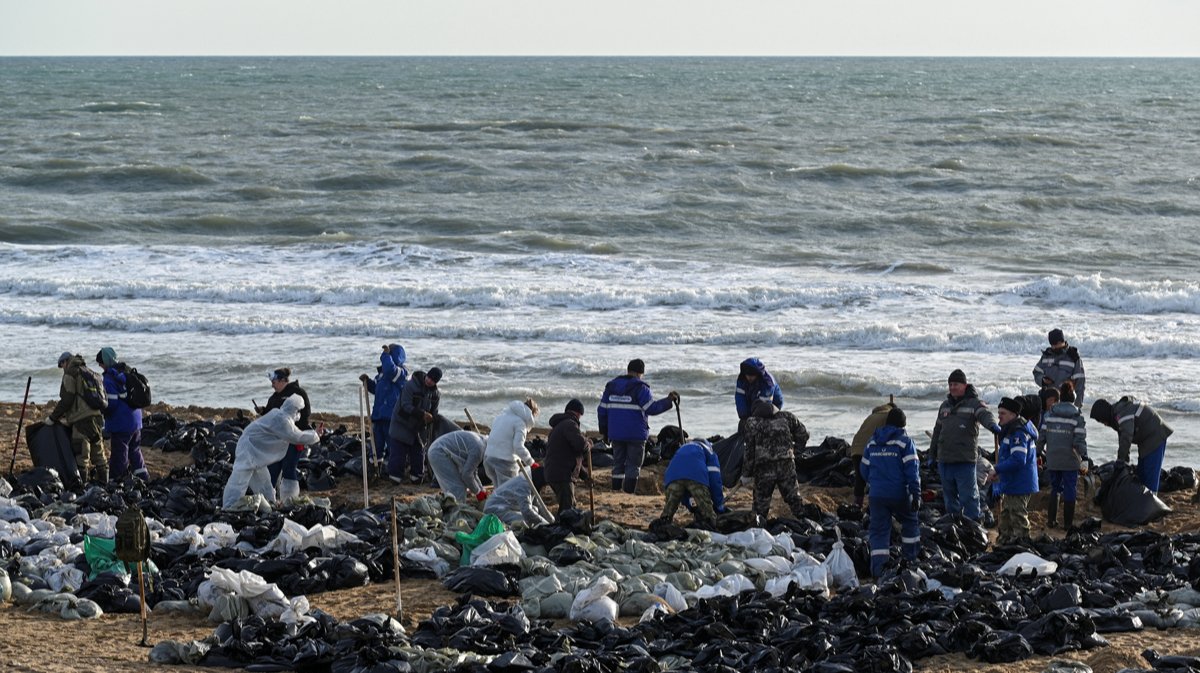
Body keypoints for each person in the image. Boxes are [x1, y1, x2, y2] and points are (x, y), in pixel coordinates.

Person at [928, 369, 1001, 521]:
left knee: (969, 497)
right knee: (950, 498)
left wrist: (993, 426)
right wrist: (932, 455)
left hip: (964, 461)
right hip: (945, 460)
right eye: (950, 384)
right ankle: (955, 525)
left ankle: (974, 526)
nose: (952, 387)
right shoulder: (944, 406)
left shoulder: (974, 403)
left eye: (956, 384)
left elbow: (985, 415)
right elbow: (937, 432)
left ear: (965, 385)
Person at [222, 395, 319, 508]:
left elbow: (294, 433)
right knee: (239, 480)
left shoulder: (279, 415)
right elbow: (296, 436)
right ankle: (228, 506)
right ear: (293, 410)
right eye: (298, 411)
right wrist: (315, 435)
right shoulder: (282, 420)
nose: (298, 415)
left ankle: (270, 503)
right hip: (248, 449)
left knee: (264, 480)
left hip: (255, 450)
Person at [597, 358, 678, 494]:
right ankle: (628, 493)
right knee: (633, 466)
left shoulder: (611, 387)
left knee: (618, 464)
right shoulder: (640, 388)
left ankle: (616, 492)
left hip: (616, 434)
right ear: (640, 373)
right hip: (635, 435)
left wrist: (604, 432)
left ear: (628, 370)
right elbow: (652, 408)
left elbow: (601, 411)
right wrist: (669, 401)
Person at [859, 407, 921, 577]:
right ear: (903, 425)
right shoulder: (905, 442)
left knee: (879, 532)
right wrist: (916, 495)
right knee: (910, 522)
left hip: (877, 495)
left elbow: (863, 469)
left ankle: (879, 571)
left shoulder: (872, 442)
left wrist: (874, 482)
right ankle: (910, 562)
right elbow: (912, 472)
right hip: (899, 493)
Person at [46, 351, 108, 486]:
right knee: (98, 452)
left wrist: (53, 417)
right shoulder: (88, 371)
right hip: (97, 418)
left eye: (61, 365)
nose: (62, 368)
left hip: (81, 421)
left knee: (82, 455)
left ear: (65, 362)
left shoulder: (70, 373)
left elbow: (68, 398)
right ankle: (105, 483)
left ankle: (82, 487)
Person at [741, 400, 809, 521]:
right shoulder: (787, 417)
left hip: (764, 468)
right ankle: (807, 525)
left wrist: (746, 474)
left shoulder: (752, 423)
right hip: (786, 465)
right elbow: (804, 434)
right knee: (795, 500)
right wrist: (796, 451)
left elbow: (750, 452)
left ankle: (759, 530)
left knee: (760, 507)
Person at [1091, 395, 1173, 493]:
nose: (1104, 424)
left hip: (1155, 436)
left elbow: (1126, 437)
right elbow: (1122, 440)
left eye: (1102, 421)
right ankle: (1144, 500)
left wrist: (1121, 461)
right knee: (1142, 473)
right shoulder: (1116, 415)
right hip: (1145, 440)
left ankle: (1151, 503)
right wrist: (1124, 461)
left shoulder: (1121, 414)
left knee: (1150, 475)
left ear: (1104, 415)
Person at [256, 368, 312, 504]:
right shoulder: (274, 398)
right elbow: (271, 416)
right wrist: (263, 411)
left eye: (274, 381)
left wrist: (297, 432)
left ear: (282, 380)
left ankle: (290, 501)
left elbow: (305, 415)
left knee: (288, 468)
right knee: (272, 470)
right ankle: (270, 500)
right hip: (276, 441)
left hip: (293, 440)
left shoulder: (298, 393)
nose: (272, 385)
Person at [1039, 382, 1088, 531]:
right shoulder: (1077, 416)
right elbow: (1079, 440)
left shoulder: (1049, 415)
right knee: (1070, 489)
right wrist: (1085, 457)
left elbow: (1041, 438)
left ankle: (1051, 521)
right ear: (1073, 397)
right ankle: (1067, 524)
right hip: (1070, 459)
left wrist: (1036, 454)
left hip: (1053, 458)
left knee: (1055, 488)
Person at [990, 397, 1039, 546]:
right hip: (1011, 482)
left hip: (1020, 483)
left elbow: (1018, 459)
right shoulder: (1009, 430)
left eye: (1002, 413)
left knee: (1017, 515)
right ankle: (1004, 542)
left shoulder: (1019, 433)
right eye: (998, 413)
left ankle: (1022, 544)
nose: (999, 416)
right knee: (1006, 515)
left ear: (1013, 414)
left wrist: (997, 469)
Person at [96, 347, 149, 482]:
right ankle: (144, 477)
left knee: (119, 455)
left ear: (105, 362)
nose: (100, 366)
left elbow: (111, 403)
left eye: (100, 363)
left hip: (122, 424)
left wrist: (101, 410)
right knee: (135, 451)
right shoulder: (126, 371)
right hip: (136, 420)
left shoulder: (109, 378)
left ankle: (115, 481)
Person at [654, 439, 726, 529]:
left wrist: (692, 506)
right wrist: (719, 504)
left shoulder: (682, 449)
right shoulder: (709, 451)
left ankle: (664, 522)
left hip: (672, 477)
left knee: (669, 510)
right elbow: (715, 480)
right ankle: (711, 524)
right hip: (696, 476)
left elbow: (684, 492)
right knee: (709, 517)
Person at [388, 367, 442, 484]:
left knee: (418, 454)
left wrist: (432, 418)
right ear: (426, 375)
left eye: (433, 380)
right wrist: (422, 414)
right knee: (398, 453)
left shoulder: (436, 395)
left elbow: (434, 412)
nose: (429, 381)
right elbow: (405, 405)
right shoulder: (410, 385)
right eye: (429, 377)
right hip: (401, 423)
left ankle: (416, 477)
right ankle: (395, 477)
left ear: (436, 382)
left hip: (418, 428)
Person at [359, 344, 408, 462]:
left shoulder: (401, 373)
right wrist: (367, 382)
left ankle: (392, 467)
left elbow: (390, 370)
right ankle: (375, 464)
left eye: (390, 354)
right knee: (376, 444)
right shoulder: (381, 375)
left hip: (392, 417)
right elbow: (376, 389)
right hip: (378, 415)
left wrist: (385, 355)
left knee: (393, 445)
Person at [542, 399, 591, 514]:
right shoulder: (570, 424)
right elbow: (580, 446)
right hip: (561, 474)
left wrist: (585, 477)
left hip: (554, 472)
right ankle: (563, 530)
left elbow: (571, 458)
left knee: (568, 506)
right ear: (577, 413)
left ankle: (561, 527)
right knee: (568, 510)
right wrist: (588, 444)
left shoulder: (559, 426)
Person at [849, 399, 896, 507]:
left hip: (855, 448)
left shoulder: (873, 416)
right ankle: (876, 505)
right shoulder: (889, 415)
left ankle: (857, 506)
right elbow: (894, 434)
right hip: (868, 449)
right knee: (877, 477)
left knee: (860, 479)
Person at [483, 398, 539, 489]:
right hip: (504, 462)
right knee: (509, 492)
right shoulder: (520, 423)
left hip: (488, 458)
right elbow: (518, 446)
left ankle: (496, 503)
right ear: (531, 414)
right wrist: (531, 462)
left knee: (498, 491)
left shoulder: (501, 417)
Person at [426, 430, 487, 503]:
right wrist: (478, 492)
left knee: (456, 488)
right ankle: (457, 512)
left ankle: (453, 507)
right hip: (438, 452)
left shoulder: (482, 442)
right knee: (457, 488)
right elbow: (466, 475)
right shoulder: (479, 450)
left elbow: (473, 472)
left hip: (437, 448)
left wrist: (481, 489)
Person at [1034, 328, 1086, 408]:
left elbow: (1080, 384)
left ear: (1062, 342)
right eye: (1052, 345)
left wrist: (1077, 407)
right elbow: (1036, 372)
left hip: (1066, 402)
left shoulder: (1073, 357)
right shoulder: (1046, 355)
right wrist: (1042, 380)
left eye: (1055, 344)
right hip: (1048, 402)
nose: (1053, 347)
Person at [483, 471, 551, 528]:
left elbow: (538, 504)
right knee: (527, 521)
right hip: (495, 509)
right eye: (544, 486)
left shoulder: (530, 482)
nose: (544, 490)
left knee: (535, 509)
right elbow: (527, 511)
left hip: (507, 506)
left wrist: (550, 521)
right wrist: (545, 524)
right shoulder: (523, 486)